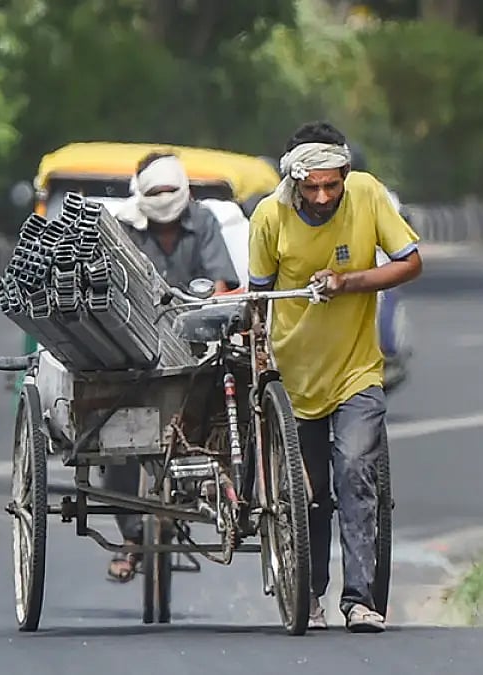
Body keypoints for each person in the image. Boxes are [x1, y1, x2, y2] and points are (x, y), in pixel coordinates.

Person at [247, 121, 422, 633]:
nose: (323, 196)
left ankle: (360, 599)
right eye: (312, 187)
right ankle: (311, 596)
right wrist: (259, 359)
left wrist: (349, 282)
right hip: (296, 381)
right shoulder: (269, 217)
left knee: (355, 473)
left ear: (346, 174)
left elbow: (409, 263)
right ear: (293, 182)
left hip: (357, 372)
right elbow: (257, 301)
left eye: (332, 184)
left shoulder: (367, 195)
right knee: (310, 494)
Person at [104, 151, 241, 582]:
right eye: (155, 192)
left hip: (195, 342)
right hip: (135, 348)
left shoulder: (203, 223)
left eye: (169, 191)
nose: (163, 199)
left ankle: (214, 489)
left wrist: (202, 319)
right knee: (117, 437)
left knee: (225, 405)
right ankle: (131, 536)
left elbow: (221, 283)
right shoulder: (124, 228)